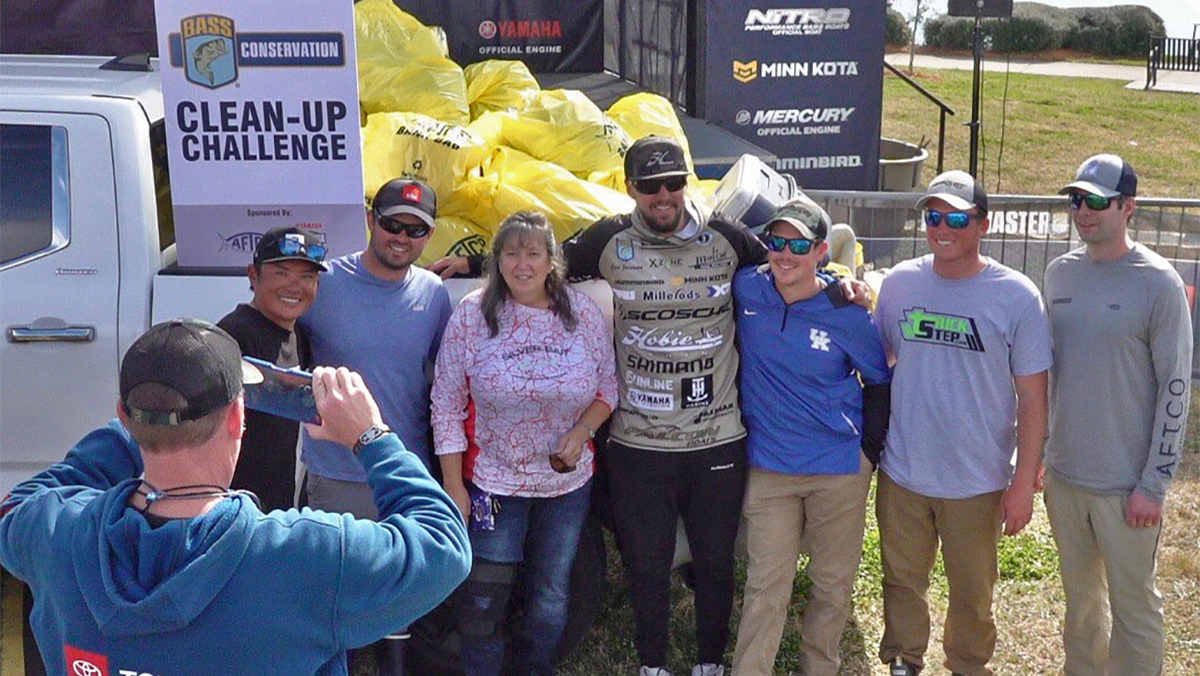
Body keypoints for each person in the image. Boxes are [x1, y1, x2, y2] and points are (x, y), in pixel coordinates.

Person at [433, 136, 871, 676]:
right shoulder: (611, 238)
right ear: (630, 189)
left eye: (673, 183)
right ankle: (653, 665)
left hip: (717, 436)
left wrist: (841, 283)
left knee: (714, 562)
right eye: (650, 186)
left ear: (686, 183)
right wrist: (474, 260)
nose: (663, 196)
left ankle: (711, 661)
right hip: (640, 442)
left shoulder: (727, 237)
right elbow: (542, 258)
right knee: (646, 563)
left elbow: (787, 267)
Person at [0, 318, 470, 675]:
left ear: (123, 414)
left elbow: (19, 504)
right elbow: (444, 545)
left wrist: (143, 427)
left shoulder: (53, 532)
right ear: (236, 419)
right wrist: (371, 436)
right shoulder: (306, 557)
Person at [873, 171, 1053, 676]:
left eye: (956, 217)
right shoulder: (900, 284)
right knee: (901, 581)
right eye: (933, 216)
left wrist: (1023, 482)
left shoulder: (1016, 296)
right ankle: (904, 660)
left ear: (983, 224)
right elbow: (882, 359)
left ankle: (967, 666)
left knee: (973, 595)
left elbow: (1034, 399)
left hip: (978, 480)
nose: (942, 228)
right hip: (904, 472)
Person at [431, 211, 618, 676]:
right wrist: (455, 486)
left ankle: (534, 669)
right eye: (511, 253)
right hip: (493, 486)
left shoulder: (584, 315)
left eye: (533, 253)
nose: (522, 264)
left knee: (550, 599)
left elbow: (607, 390)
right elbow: (446, 404)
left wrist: (582, 432)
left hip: (565, 489)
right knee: (482, 604)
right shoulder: (472, 316)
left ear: (552, 259)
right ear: (497, 261)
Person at [1042, 154, 1192, 676]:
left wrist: (1154, 483)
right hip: (1064, 478)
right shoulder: (1058, 274)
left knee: (1135, 610)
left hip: (1126, 487)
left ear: (1128, 207)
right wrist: (1041, 453)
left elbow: (1176, 387)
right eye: (1076, 200)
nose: (1083, 211)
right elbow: (1052, 372)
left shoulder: (1159, 284)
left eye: (1097, 201)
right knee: (1081, 606)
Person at [730, 198, 892, 676]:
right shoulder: (748, 289)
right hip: (770, 469)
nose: (785, 254)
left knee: (832, 585)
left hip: (838, 471)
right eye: (776, 241)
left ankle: (819, 667)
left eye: (798, 244)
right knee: (765, 588)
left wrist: (867, 456)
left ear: (820, 250)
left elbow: (880, 382)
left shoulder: (848, 312)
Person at [297, 177, 453, 673]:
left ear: (429, 237)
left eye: (415, 230)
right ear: (370, 220)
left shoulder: (434, 295)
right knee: (337, 594)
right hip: (336, 472)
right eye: (391, 225)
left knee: (398, 595)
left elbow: (439, 383)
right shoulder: (325, 285)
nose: (401, 238)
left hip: (403, 471)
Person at [217, 225, 327, 511]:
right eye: (281, 273)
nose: (294, 286)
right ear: (253, 275)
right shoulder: (231, 337)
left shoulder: (299, 335)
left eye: (307, 276)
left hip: (276, 508)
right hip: (234, 510)